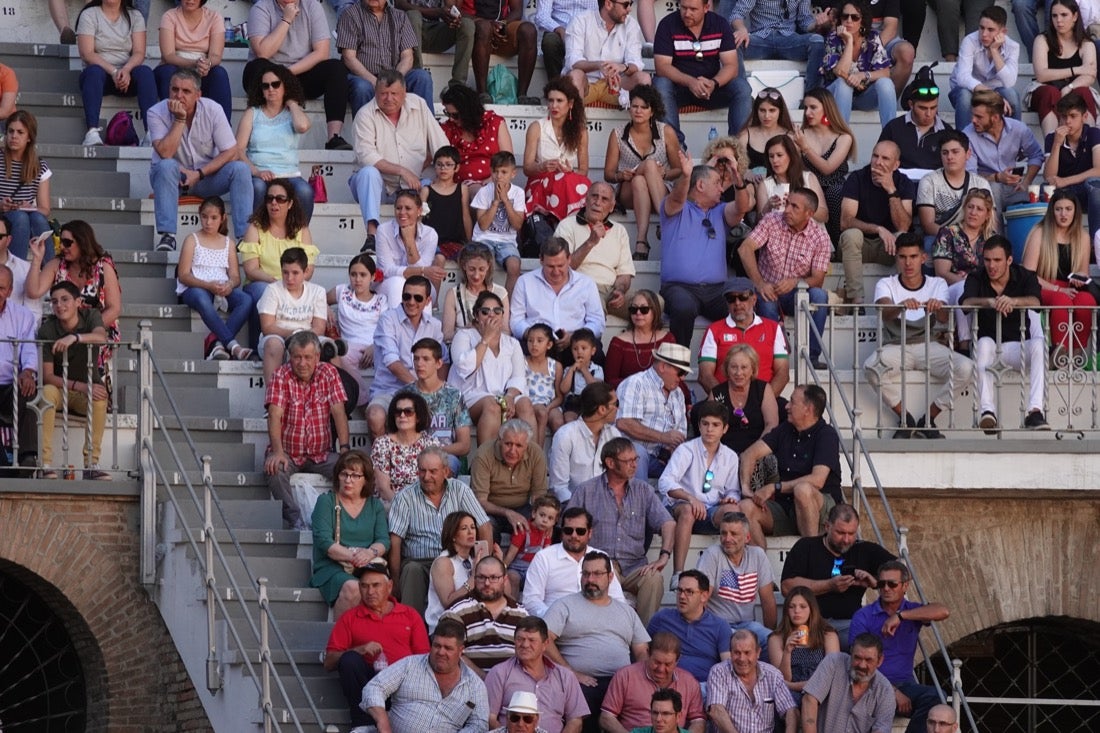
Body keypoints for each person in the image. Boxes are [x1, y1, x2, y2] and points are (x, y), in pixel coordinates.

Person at [863, 233, 975, 438]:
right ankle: (905, 418)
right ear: (896, 258)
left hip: (928, 345)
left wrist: (936, 306)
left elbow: (942, 318)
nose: (908, 263)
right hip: (896, 346)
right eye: (903, 257)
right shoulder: (886, 283)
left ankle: (928, 419)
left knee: (966, 367)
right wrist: (900, 307)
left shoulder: (937, 283)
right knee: (871, 367)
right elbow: (885, 312)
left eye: (913, 256)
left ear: (923, 258)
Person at [568, 438, 675, 624]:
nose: (635, 465)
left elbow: (668, 523)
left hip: (635, 566)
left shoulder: (644, 490)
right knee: (603, 572)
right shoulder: (586, 490)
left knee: (654, 579)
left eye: (636, 459)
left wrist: (664, 556)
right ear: (610, 463)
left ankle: (643, 638)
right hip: (601, 563)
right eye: (628, 461)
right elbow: (569, 527)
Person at [543, 551, 651, 733]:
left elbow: (641, 651)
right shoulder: (564, 605)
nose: (590, 579)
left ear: (610, 577)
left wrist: (637, 679)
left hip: (620, 683)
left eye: (596, 574)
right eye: (585, 574)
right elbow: (543, 639)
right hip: (579, 683)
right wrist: (571, 672)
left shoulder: (627, 612)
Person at [147, 68, 252, 252]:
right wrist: (179, 120)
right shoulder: (156, 112)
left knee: (240, 169)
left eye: (186, 91)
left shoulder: (212, 109)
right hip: (172, 178)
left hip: (205, 178)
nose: (179, 95)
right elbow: (165, 153)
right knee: (166, 165)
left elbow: (231, 151)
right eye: (174, 89)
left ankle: (244, 238)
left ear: (198, 95)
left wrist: (199, 173)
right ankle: (168, 237)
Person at [324, 558, 430, 732]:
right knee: (349, 659)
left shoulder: (409, 614)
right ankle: (363, 723)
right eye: (364, 586)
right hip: (366, 683)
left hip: (401, 686)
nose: (370, 591)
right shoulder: (350, 618)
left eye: (376, 585)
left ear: (389, 586)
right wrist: (359, 649)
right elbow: (329, 662)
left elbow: (424, 659)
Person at [350, 69, 449, 253]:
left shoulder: (418, 105)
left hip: (411, 186)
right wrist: (402, 171)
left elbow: (440, 145)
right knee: (368, 172)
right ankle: (371, 236)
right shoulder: (365, 114)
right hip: (377, 186)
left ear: (404, 93)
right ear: (376, 93)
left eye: (394, 93)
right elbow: (367, 157)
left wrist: (443, 170)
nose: (388, 98)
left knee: (435, 185)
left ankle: (430, 240)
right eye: (383, 94)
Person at [387, 447, 492, 614]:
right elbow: (395, 540)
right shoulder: (405, 497)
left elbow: (484, 525)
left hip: (456, 560)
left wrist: (486, 564)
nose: (427, 477)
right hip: (419, 562)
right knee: (411, 570)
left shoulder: (460, 490)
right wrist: (395, 580)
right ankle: (413, 630)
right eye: (422, 471)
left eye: (433, 471)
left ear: (446, 471)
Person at [961, 235, 1050, 432]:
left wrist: (1014, 301)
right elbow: (965, 303)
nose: (991, 265)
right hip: (990, 348)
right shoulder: (977, 276)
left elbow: (1037, 302)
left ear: (1009, 260)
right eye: (987, 260)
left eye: (997, 260)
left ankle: (1035, 411)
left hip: (1018, 347)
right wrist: (989, 302)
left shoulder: (1025, 275)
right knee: (983, 343)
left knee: (1039, 345)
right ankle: (987, 412)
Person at [849, 561, 950, 733]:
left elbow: (943, 611)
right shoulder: (864, 616)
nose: (886, 588)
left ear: (905, 586)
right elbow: (859, 663)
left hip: (905, 685)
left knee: (936, 697)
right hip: (870, 685)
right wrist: (892, 691)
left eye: (892, 584)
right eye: (881, 584)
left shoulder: (911, 611)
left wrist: (901, 616)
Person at [738, 385, 843, 547]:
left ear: (808, 409)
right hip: (786, 507)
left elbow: (818, 480)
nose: (786, 406)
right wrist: (746, 488)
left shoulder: (826, 435)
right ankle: (762, 567)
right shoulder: (785, 429)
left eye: (792, 402)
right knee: (745, 507)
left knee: (803, 490)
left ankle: (810, 555)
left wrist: (774, 487)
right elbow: (749, 454)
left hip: (822, 507)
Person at [262, 330, 349, 528]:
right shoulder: (281, 375)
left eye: (308, 357)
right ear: (289, 357)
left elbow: (339, 413)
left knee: (350, 469)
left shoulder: (329, 373)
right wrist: (277, 451)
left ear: (317, 357)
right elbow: (274, 414)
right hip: (289, 453)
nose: (302, 363)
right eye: (297, 357)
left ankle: (344, 519)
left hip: (321, 453)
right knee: (274, 470)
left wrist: (344, 449)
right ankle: (294, 519)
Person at [737, 187, 832, 368]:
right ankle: (776, 356)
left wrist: (796, 282)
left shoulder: (820, 237)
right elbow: (745, 248)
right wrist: (760, 283)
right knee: (766, 300)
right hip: (767, 288)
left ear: (809, 213)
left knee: (820, 296)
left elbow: (818, 280)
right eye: (787, 203)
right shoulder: (772, 220)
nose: (787, 209)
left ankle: (811, 357)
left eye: (794, 207)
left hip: (796, 293)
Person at [779, 503, 896, 648]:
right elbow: (786, 587)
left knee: (872, 646)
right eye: (840, 533)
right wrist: (829, 585)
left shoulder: (865, 550)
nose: (846, 540)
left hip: (850, 624)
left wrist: (875, 581)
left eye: (852, 533)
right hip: (810, 624)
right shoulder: (806, 547)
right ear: (827, 526)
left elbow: (901, 571)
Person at [659, 164, 747, 347]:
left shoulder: (720, 211)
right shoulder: (675, 209)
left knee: (741, 305)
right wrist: (685, 175)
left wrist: (740, 185)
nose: (722, 189)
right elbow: (676, 198)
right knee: (683, 307)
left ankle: (733, 365)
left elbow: (740, 208)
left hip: (716, 291)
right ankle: (678, 368)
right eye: (717, 183)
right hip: (679, 288)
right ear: (700, 185)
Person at [245, 0, 351, 151]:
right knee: (255, 68)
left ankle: (334, 137)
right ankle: (267, 132)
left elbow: (322, 53)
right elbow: (263, 52)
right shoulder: (261, 7)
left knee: (336, 68)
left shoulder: (312, 6)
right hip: (268, 76)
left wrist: (286, 74)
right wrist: (286, 20)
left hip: (299, 73)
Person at [26, 220, 121, 379]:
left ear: (82, 242)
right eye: (61, 242)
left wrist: (83, 332)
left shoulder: (103, 266)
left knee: (91, 369)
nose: (62, 247)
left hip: (94, 330)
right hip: (60, 330)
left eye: (67, 242)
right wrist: (37, 258)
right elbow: (33, 292)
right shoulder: (57, 264)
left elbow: (114, 308)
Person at [361, 617, 491, 733]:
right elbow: (375, 687)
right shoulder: (410, 665)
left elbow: (479, 725)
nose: (441, 652)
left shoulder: (475, 686)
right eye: (437, 645)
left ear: (461, 651)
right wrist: (383, 724)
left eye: (448, 648)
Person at [652, 0, 752, 145]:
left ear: (706, 8)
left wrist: (714, 83)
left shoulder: (720, 24)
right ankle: (676, 147)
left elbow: (732, 66)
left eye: (693, 9)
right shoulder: (667, 24)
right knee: (660, 84)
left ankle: (738, 148)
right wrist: (691, 82)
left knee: (742, 88)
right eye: (684, 8)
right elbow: (662, 67)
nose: (687, 13)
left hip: (711, 89)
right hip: (680, 89)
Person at [658, 403, 742, 576]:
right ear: (699, 425)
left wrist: (730, 499)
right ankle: (678, 574)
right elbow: (665, 482)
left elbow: (733, 490)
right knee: (688, 511)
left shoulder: (731, 456)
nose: (709, 429)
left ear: (725, 429)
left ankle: (735, 570)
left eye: (715, 425)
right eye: (705, 424)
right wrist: (690, 498)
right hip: (680, 507)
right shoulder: (686, 449)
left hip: (710, 510)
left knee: (734, 511)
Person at [36, 280, 108, 478]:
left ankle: (91, 465)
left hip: (86, 392)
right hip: (62, 390)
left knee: (100, 396)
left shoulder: (91, 316)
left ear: (78, 302)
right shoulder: (48, 329)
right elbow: (48, 376)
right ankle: (45, 464)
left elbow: (101, 337)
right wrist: (80, 386)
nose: (59, 305)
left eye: (65, 300)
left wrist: (75, 338)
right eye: (54, 301)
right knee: (47, 393)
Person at [604, 86, 683, 261]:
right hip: (627, 191)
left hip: (659, 189)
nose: (638, 111)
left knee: (642, 178)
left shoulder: (665, 131)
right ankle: (665, 222)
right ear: (629, 108)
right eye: (634, 106)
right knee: (646, 169)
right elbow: (608, 174)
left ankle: (641, 241)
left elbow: (678, 170)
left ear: (652, 110)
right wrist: (620, 176)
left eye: (644, 107)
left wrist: (661, 174)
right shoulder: (617, 133)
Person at [240, 179, 319, 349]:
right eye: (269, 199)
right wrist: (277, 283)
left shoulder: (302, 230)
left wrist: (289, 282)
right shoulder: (255, 228)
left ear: (290, 203)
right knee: (265, 292)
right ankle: (257, 345)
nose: (274, 203)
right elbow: (251, 270)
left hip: (293, 283)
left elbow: (309, 270)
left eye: (280, 199)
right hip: (261, 283)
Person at [837, 140, 917, 309]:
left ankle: (903, 298)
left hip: (888, 247)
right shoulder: (857, 178)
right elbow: (846, 221)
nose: (878, 162)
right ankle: (857, 302)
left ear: (896, 165)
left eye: (885, 158)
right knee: (851, 235)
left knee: (903, 238)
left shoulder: (904, 183)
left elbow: (903, 226)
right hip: (859, 246)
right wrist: (878, 229)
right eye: (875, 156)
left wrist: (891, 190)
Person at [311, 450, 391, 618]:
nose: (348, 480)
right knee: (353, 588)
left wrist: (370, 553)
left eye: (355, 476)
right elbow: (324, 542)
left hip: (366, 565)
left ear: (366, 480)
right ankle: (341, 642)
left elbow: (383, 540)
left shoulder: (374, 505)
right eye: (344, 474)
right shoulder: (326, 502)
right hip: (333, 567)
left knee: (381, 587)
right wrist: (354, 557)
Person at [368, 275, 447, 439]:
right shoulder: (387, 319)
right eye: (407, 296)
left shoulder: (435, 325)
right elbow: (392, 362)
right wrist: (419, 389)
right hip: (388, 390)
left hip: (424, 391)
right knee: (375, 416)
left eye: (418, 298)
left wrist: (436, 390)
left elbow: (443, 360)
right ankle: (384, 462)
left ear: (427, 301)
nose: (411, 302)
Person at [176, 196, 253, 362]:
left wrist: (229, 285)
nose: (208, 222)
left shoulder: (228, 243)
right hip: (195, 287)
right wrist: (206, 285)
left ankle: (217, 343)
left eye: (213, 218)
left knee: (246, 300)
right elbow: (183, 275)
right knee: (201, 298)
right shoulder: (192, 239)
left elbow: (235, 276)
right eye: (204, 217)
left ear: (223, 218)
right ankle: (233, 346)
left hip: (219, 287)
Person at [451, 293, 536, 442]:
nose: (491, 315)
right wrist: (486, 339)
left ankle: (530, 461)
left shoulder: (512, 343)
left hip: (502, 396)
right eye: (485, 311)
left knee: (525, 404)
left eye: (497, 311)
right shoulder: (463, 336)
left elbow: (518, 377)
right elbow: (465, 368)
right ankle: (486, 462)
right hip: (469, 397)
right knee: (493, 405)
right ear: (476, 315)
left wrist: (510, 396)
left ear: (503, 315)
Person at [235, 65, 314, 223]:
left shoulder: (292, 113)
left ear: (285, 85)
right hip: (259, 172)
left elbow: (303, 126)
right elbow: (238, 150)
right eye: (266, 86)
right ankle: (254, 236)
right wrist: (257, 172)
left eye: (276, 84)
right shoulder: (252, 113)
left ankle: (297, 239)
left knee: (305, 191)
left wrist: (292, 104)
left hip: (289, 174)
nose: (271, 89)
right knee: (257, 188)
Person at [509, 238, 605, 367]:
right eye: (550, 266)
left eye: (560, 266)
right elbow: (516, 320)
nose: (556, 272)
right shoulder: (525, 282)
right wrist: (535, 337)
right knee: (518, 350)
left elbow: (597, 321)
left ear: (569, 259)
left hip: (575, 344)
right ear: (541, 260)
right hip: (537, 344)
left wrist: (575, 337)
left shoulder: (586, 283)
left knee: (595, 351)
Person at [485, 616, 590, 733]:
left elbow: (575, 720)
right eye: (520, 639)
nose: (525, 645)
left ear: (545, 644)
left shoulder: (565, 676)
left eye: (532, 640)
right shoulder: (499, 673)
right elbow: (489, 717)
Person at [75, 0, 157, 147]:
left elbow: (139, 52)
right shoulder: (89, 14)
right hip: (101, 76)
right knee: (93, 72)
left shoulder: (135, 15)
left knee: (145, 73)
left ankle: (151, 133)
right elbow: (87, 54)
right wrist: (113, 71)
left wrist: (126, 70)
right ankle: (92, 132)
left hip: (126, 74)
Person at [521, 507, 626, 616]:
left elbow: (617, 599)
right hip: (556, 625)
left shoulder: (602, 558)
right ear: (562, 532)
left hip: (597, 624)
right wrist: (554, 618)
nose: (574, 535)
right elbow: (531, 600)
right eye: (568, 530)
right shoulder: (544, 558)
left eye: (580, 531)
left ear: (589, 533)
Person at [697, 277, 788, 400]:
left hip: (763, 400)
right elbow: (705, 375)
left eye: (743, 297)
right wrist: (725, 401)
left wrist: (764, 401)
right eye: (731, 298)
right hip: (724, 402)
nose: (737, 303)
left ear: (754, 299)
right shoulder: (714, 330)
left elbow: (783, 373)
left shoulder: (773, 328)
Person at [694, 511, 777, 647]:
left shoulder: (758, 555)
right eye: (723, 533)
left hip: (748, 625)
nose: (727, 538)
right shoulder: (712, 554)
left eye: (734, 534)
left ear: (747, 538)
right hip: (719, 624)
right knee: (738, 642)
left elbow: (768, 602)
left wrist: (772, 633)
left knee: (771, 641)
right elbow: (701, 598)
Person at [554, 183, 635, 320]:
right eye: (594, 196)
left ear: (612, 207)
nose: (597, 202)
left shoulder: (619, 230)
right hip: (582, 287)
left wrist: (620, 291)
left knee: (654, 305)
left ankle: (627, 341)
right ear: (586, 199)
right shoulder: (567, 225)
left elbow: (625, 273)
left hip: (611, 290)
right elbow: (560, 269)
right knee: (595, 308)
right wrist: (590, 242)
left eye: (604, 199)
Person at [338, 0, 433, 115]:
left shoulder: (400, 17)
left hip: (394, 75)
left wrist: (394, 81)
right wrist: (377, 83)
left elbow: (407, 57)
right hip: (363, 77)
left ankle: (426, 130)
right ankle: (365, 132)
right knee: (362, 88)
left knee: (422, 77)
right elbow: (349, 58)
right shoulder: (350, 15)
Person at [600, 633, 706, 733]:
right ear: (648, 653)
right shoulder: (625, 675)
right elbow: (606, 717)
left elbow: (698, 721)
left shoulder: (689, 682)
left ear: (677, 660)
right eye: (657, 662)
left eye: (668, 664)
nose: (661, 669)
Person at [441, 556, 529, 675]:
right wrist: (484, 679)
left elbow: (529, 654)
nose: (487, 583)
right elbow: (448, 652)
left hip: (512, 685)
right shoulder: (457, 611)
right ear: (474, 579)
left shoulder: (521, 613)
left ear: (505, 579)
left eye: (493, 578)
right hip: (470, 685)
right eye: (481, 577)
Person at [693, 346, 780, 464]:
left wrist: (752, 453)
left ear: (753, 369)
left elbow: (772, 425)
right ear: (727, 369)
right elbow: (709, 427)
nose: (739, 373)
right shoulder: (717, 393)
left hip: (758, 453)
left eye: (744, 367)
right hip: (724, 456)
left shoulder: (763, 389)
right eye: (734, 367)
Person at [615, 344, 690, 481]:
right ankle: (638, 500)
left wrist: (671, 450)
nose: (683, 378)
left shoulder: (678, 393)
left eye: (685, 374)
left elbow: (681, 431)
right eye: (680, 373)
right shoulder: (636, 383)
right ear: (662, 367)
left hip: (665, 458)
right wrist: (662, 437)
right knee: (637, 453)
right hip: (636, 456)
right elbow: (624, 423)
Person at [932, 188, 997, 347]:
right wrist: (971, 284)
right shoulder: (948, 233)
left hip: (983, 289)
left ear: (987, 214)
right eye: (970, 207)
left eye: (979, 209)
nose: (973, 212)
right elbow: (942, 272)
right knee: (964, 288)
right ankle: (965, 343)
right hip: (952, 288)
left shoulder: (992, 238)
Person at [399, 338, 472, 475]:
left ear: (438, 363)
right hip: (410, 455)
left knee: (439, 468)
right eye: (416, 359)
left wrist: (434, 451)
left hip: (444, 455)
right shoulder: (404, 395)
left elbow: (464, 445)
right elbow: (394, 436)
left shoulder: (454, 396)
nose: (419, 364)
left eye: (426, 359)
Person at [964, 89, 1044, 214]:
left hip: (1013, 187)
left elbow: (1036, 155)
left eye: (979, 117)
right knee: (994, 189)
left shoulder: (1018, 129)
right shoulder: (968, 135)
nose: (973, 120)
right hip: (983, 188)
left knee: (1042, 194)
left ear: (995, 117)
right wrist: (996, 177)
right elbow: (970, 175)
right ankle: (997, 234)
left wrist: (1026, 181)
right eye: (973, 115)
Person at [255, 246, 327, 385]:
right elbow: (267, 327)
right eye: (285, 272)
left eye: (295, 273)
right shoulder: (272, 290)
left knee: (329, 347)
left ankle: (327, 400)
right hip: (278, 336)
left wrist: (301, 338)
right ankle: (273, 398)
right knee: (273, 345)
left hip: (308, 335)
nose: (289, 278)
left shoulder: (317, 291)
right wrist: (294, 335)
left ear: (305, 272)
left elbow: (319, 328)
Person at [820, 1, 897, 130]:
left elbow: (886, 72)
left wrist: (863, 75)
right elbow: (839, 71)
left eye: (855, 17)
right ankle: (843, 137)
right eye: (845, 17)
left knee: (886, 83)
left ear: (862, 21)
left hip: (862, 96)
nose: (849, 21)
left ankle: (890, 136)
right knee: (843, 84)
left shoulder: (872, 37)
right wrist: (849, 41)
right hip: (835, 96)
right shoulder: (833, 38)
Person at [524, 79, 591, 223]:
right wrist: (541, 167)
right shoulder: (536, 127)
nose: (554, 105)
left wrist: (569, 171)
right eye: (551, 100)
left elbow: (584, 171)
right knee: (567, 181)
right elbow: (527, 168)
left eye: (559, 101)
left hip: (568, 183)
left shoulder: (581, 131)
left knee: (569, 180)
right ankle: (573, 222)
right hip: (541, 183)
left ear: (570, 104)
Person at [647, 573, 731, 686]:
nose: (682, 596)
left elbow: (728, 667)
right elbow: (645, 652)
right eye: (680, 590)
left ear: (704, 596)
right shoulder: (662, 618)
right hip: (666, 684)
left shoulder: (720, 626)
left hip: (704, 686)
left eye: (689, 592)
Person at [800, 634, 897, 733]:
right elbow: (809, 700)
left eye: (868, 660)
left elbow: (882, 729)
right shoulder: (833, 662)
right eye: (857, 658)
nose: (862, 665)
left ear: (880, 660)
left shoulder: (885, 690)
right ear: (851, 653)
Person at [563, 0, 650, 110]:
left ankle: (636, 127)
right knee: (575, 76)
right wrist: (599, 65)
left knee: (644, 78)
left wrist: (622, 67)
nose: (629, 9)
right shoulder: (580, 20)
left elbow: (636, 62)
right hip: (587, 85)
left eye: (631, 3)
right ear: (608, 4)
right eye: (625, 5)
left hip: (617, 86)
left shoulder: (631, 24)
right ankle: (576, 125)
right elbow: (573, 61)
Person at [916, 130, 994, 253]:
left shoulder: (981, 183)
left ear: (968, 154)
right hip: (941, 235)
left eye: (955, 152)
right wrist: (955, 238)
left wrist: (971, 239)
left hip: (975, 235)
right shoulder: (929, 181)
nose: (950, 157)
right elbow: (928, 224)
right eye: (945, 153)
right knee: (929, 244)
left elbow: (990, 220)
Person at [706, 630, 798, 733]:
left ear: (758, 653)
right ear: (730, 653)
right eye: (737, 652)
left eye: (747, 652)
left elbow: (790, 710)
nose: (742, 658)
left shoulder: (773, 675)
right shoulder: (719, 672)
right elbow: (716, 710)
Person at [471, 419, 549, 541]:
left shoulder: (536, 453)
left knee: (544, 522)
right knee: (484, 526)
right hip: (490, 510)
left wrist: (543, 519)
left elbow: (538, 495)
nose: (512, 451)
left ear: (526, 446)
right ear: (500, 440)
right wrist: (508, 513)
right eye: (508, 444)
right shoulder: (483, 454)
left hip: (523, 508)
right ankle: (489, 559)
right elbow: (480, 501)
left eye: (518, 446)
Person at [155, 0, 232, 123]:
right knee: (167, 72)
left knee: (219, 73)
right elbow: (168, 55)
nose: (190, 0)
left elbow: (216, 55)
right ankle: (167, 126)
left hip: (202, 68)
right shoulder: (169, 16)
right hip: (175, 65)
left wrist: (207, 64)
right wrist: (194, 63)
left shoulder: (214, 17)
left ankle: (224, 128)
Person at [793, 87, 856, 239]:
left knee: (835, 193)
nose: (808, 113)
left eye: (813, 108)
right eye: (806, 108)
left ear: (827, 109)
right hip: (808, 184)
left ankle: (837, 243)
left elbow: (827, 168)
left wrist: (805, 148)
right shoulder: (800, 135)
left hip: (835, 185)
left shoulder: (843, 137)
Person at [949, 5, 1023, 131]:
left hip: (997, 90)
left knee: (1012, 95)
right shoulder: (970, 41)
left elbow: (1009, 82)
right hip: (968, 90)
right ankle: (963, 142)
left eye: (990, 30)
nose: (984, 34)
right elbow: (962, 78)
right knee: (964, 96)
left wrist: (994, 51)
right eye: (981, 28)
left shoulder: (1013, 46)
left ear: (1003, 32)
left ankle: (1014, 142)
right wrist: (992, 95)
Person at [1029, 0, 1098, 135]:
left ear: (1075, 17)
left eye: (1064, 15)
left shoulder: (1086, 43)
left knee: (1083, 92)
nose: (1058, 20)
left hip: (1073, 89)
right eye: (1054, 16)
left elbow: (1090, 75)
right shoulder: (1042, 39)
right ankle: (1052, 146)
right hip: (1045, 90)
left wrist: (1069, 87)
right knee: (1050, 92)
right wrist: (1076, 70)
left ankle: (1089, 145)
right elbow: (1042, 75)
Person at [731, 0, 830, 94]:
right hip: (761, 38)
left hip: (789, 40)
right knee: (733, 42)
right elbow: (737, 14)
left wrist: (817, 24)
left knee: (817, 41)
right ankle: (742, 95)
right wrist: (741, 29)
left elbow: (805, 21)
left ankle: (812, 97)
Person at [329, 254, 389, 406]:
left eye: (363, 275)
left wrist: (374, 346)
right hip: (350, 347)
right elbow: (318, 299)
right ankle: (363, 400)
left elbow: (386, 329)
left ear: (373, 276)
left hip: (375, 346)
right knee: (337, 356)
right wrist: (326, 308)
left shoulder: (381, 300)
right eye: (353, 274)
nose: (358, 279)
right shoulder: (342, 292)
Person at [548, 382, 621, 502]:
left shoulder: (614, 435)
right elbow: (559, 487)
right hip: (573, 508)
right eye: (615, 404)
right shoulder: (565, 436)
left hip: (607, 506)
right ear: (602, 409)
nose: (618, 408)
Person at [766, 586, 840, 705]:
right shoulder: (776, 638)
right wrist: (787, 652)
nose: (797, 611)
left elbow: (832, 674)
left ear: (812, 609)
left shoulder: (828, 635)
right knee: (786, 701)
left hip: (820, 689)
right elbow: (782, 680)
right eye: (792, 606)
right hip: (789, 692)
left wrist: (796, 686)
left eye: (803, 606)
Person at [440, 84, 515, 200]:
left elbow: (507, 160)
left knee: (485, 193)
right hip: (462, 186)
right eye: (447, 114)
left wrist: (491, 180)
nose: (451, 119)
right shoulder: (448, 129)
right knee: (478, 193)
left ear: (468, 111)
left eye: (455, 115)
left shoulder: (494, 122)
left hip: (496, 180)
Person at [1044, 92, 1100, 240]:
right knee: (1045, 189)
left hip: (1087, 191)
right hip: (1064, 192)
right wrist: (1057, 144)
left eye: (1073, 116)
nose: (1067, 121)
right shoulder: (1052, 138)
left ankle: (1096, 243)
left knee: (1095, 187)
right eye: (1063, 116)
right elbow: (1049, 177)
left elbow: (1098, 170)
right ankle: (1051, 243)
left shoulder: (1094, 134)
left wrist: (1066, 180)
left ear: (1085, 116)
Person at [375, 187, 445, 305]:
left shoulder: (430, 234)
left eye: (408, 208)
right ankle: (397, 322)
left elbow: (420, 278)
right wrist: (422, 270)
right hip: (388, 284)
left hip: (418, 285)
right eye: (398, 208)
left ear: (419, 211)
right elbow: (386, 271)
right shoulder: (383, 230)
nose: (402, 212)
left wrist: (409, 241)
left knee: (420, 288)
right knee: (398, 283)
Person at [878, 73, 953, 176]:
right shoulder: (893, 128)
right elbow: (879, 161)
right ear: (911, 104)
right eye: (923, 108)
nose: (929, 114)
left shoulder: (947, 131)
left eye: (933, 108)